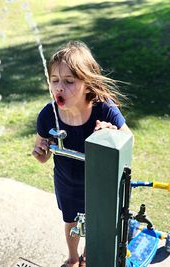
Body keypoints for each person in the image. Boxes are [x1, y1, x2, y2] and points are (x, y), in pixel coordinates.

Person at [32, 41, 132, 267]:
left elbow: (128, 140)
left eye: (69, 82)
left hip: (99, 186)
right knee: (70, 221)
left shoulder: (104, 109)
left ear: (88, 84)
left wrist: (112, 134)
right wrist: (40, 153)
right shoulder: (49, 115)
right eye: (54, 81)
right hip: (67, 183)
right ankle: (73, 256)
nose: (59, 88)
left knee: (96, 223)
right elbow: (42, 153)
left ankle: (88, 255)